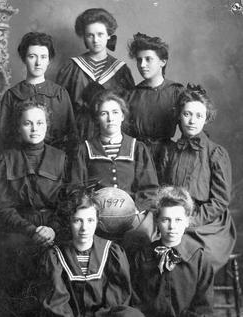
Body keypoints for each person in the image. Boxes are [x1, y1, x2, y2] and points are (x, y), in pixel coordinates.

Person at [158, 84, 236, 271]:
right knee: (151, 242)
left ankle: (192, 296)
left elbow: (219, 201)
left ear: (206, 119)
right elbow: (161, 190)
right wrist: (173, 217)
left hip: (207, 223)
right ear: (179, 115)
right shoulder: (169, 151)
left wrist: (189, 221)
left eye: (199, 116)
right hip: (174, 216)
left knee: (188, 250)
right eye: (187, 114)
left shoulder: (216, 153)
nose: (192, 121)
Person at [70, 90, 159, 250]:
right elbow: (77, 188)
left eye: (115, 112)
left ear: (123, 116)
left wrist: (135, 210)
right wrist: (91, 212)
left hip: (132, 221)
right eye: (104, 113)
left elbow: (150, 189)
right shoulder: (84, 149)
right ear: (97, 118)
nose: (110, 118)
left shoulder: (137, 148)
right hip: (97, 222)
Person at [38, 189, 144, 317]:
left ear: (97, 221)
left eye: (90, 220)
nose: (84, 228)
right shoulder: (55, 256)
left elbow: (116, 302)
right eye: (77, 221)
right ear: (69, 222)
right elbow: (56, 303)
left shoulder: (112, 252)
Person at [0, 101, 68, 288]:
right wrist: (31, 230)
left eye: (40, 123)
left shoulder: (61, 158)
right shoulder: (7, 159)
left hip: (56, 228)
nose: (34, 129)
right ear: (18, 128)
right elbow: (4, 207)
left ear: (47, 125)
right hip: (21, 229)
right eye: (28, 123)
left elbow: (67, 203)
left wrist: (52, 228)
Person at [132, 186, 214, 317]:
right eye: (165, 220)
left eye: (178, 220)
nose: (172, 227)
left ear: (187, 221)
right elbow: (135, 301)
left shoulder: (199, 258)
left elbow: (203, 307)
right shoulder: (143, 256)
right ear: (157, 221)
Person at [0, 32, 76, 150]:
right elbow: (5, 138)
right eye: (32, 56)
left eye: (43, 57)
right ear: (24, 59)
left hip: (56, 162)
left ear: (49, 60)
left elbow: (71, 135)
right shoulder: (12, 95)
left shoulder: (60, 94)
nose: (38, 63)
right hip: (21, 161)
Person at [56, 8, 135, 119]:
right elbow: (60, 106)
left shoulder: (120, 70)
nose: (95, 40)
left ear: (109, 35)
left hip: (111, 129)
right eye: (90, 35)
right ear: (84, 37)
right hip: (78, 129)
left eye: (100, 34)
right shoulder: (72, 67)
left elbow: (128, 108)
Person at [126, 33, 184, 165]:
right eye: (139, 60)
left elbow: (189, 129)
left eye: (148, 59)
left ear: (162, 62)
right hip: (137, 156)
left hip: (167, 157)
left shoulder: (176, 92)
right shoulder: (131, 95)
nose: (142, 65)